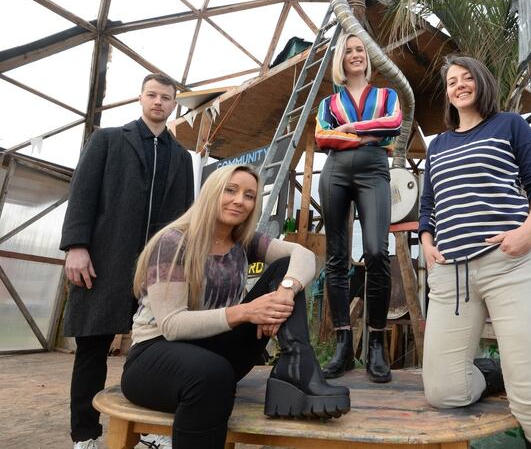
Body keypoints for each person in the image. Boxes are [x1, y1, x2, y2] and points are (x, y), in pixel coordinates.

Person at [120, 164, 350, 449]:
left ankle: (297, 369)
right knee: (211, 375)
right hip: (154, 356)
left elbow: (304, 255)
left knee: (283, 269)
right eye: (230, 190)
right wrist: (247, 312)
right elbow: (172, 325)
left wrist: (285, 292)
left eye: (249, 195)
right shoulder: (174, 242)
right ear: (211, 192)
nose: (240, 200)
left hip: (216, 352)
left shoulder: (243, 241)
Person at [418, 55, 531, 449]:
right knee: (443, 391)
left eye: (467, 78)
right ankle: (496, 370)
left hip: (511, 264)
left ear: (482, 82)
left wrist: (527, 233)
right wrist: (427, 243)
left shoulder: (510, 124)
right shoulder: (438, 144)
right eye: (452, 81)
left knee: (530, 395)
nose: (459, 85)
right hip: (451, 274)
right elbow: (428, 204)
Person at [60, 73, 194, 449]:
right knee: (92, 348)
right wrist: (76, 245)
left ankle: (150, 429)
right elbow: (82, 193)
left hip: (157, 268)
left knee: (154, 350)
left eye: (166, 98)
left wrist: (180, 265)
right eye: (152, 95)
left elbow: (185, 217)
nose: (158, 102)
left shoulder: (182, 159)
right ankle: (85, 434)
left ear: (173, 104)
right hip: (105, 259)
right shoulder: (106, 140)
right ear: (140, 98)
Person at [314, 33, 402, 383]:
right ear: (341, 58)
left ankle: (376, 346)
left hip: (373, 170)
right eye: (349, 51)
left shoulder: (386, 95)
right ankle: (343, 345)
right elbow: (322, 138)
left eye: (360, 50)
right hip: (335, 171)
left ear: (368, 57)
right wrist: (368, 134)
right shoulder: (328, 103)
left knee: (377, 251)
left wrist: (349, 130)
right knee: (336, 256)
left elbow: (392, 125)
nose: (355, 55)